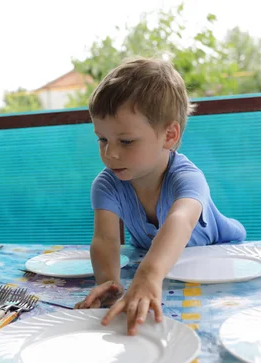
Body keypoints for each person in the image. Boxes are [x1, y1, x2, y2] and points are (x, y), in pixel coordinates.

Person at [74, 57, 246, 335]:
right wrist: (109, 282)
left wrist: (148, 275)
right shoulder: (107, 184)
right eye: (102, 139)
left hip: (221, 256)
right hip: (172, 270)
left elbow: (180, 221)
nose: (110, 153)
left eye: (126, 141)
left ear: (169, 135)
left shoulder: (187, 177)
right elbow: (105, 240)